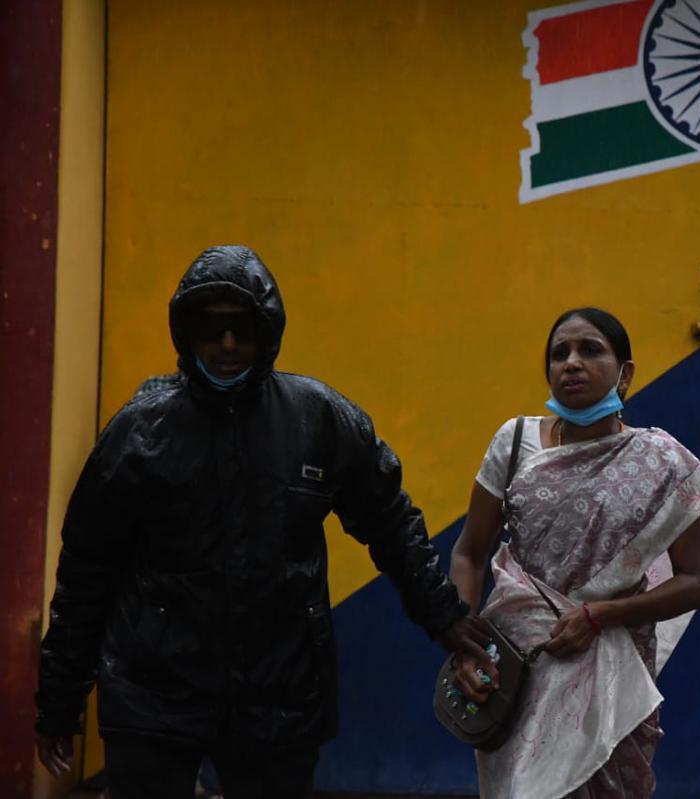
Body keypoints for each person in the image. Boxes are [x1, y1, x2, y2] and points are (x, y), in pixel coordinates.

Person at [35, 245, 490, 798]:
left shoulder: (318, 418)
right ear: (187, 333)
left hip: (280, 691)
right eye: (212, 328)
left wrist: (444, 618)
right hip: (153, 690)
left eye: (243, 329)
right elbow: (87, 570)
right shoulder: (139, 433)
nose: (228, 344)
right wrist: (60, 697)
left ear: (267, 332)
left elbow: (391, 523)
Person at [448, 307, 700, 798]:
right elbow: (469, 556)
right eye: (560, 354)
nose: (571, 363)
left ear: (626, 373)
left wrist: (599, 616)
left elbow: (697, 583)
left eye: (590, 350)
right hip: (516, 669)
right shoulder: (515, 442)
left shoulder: (662, 462)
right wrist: (463, 645)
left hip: (610, 677)